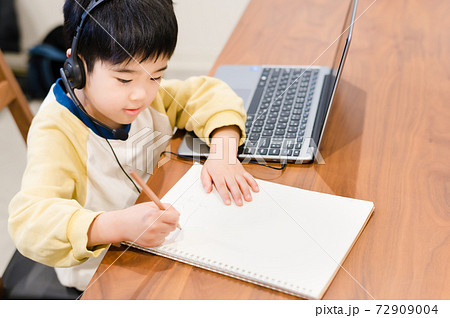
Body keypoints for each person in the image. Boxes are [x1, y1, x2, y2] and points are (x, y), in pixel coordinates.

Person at [8, 0, 259, 292]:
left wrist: (224, 151)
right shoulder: (56, 130)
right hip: (107, 271)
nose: (141, 94)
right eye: (124, 79)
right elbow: (29, 223)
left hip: (165, 242)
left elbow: (208, 92)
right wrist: (113, 226)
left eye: (156, 76)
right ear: (77, 65)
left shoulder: (145, 97)